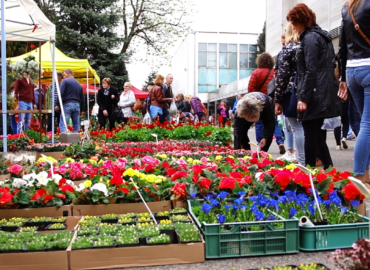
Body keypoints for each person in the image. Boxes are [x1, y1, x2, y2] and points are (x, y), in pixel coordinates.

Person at [287, 3, 341, 169]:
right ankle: (329, 170)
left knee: (311, 134)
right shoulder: (321, 36)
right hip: (322, 91)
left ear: (301, 20)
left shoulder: (310, 38)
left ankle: (308, 173)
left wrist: (303, 97)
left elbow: (311, 70)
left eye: (294, 23)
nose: (293, 27)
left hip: (314, 92)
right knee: (317, 135)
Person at [338, 0, 370, 186]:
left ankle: (365, 175)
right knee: (367, 125)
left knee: (365, 123)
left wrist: (342, 77)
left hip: (352, 71)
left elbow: (342, 45)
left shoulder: (347, 7)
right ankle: (359, 178)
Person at [274, 22, 305, 165]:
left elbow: (282, 77)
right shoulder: (306, 46)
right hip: (308, 89)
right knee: (307, 128)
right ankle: (310, 158)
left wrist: (278, 100)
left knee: (296, 127)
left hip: (291, 91)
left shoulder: (286, 50)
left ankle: (302, 161)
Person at [248, 53, 286, 154]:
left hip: (259, 101)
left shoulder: (256, 73)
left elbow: (251, 89)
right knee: (274, 123)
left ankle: (260, 145)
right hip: (272, 101)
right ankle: (280, 142)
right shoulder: (274, 72)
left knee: (259, 123)